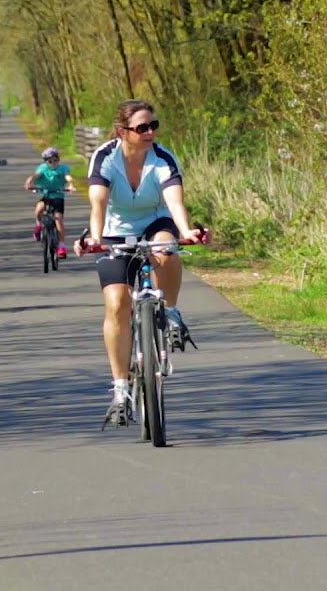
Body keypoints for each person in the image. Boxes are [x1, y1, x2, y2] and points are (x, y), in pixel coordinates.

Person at [73, 99, 209, 426]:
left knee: (167, 246)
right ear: (123, 131)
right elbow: (98, 203)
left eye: (153, 126)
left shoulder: (162, 158)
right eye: (142, 128)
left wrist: (187, 229)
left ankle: (172, 311)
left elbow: (175, 200)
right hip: (114, 232)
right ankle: (121, 389)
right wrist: (94, 237)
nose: (150, 133)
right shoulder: (105, 157)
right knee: (117, 302)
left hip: (154, 222)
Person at [24, 146, 76, 258]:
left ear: (59, 160)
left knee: (58, 220)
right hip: (46, 194)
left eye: (55, 160)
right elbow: (35, 175)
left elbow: (68, 177)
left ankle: (61, 246)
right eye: (50, 161)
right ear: (46, 162)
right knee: (39, 209)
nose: (53, 163)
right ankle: (38, 226)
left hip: (58, 196)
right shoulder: (42, 168)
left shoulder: (63, 168)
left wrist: (71, 185)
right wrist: (29, 182)